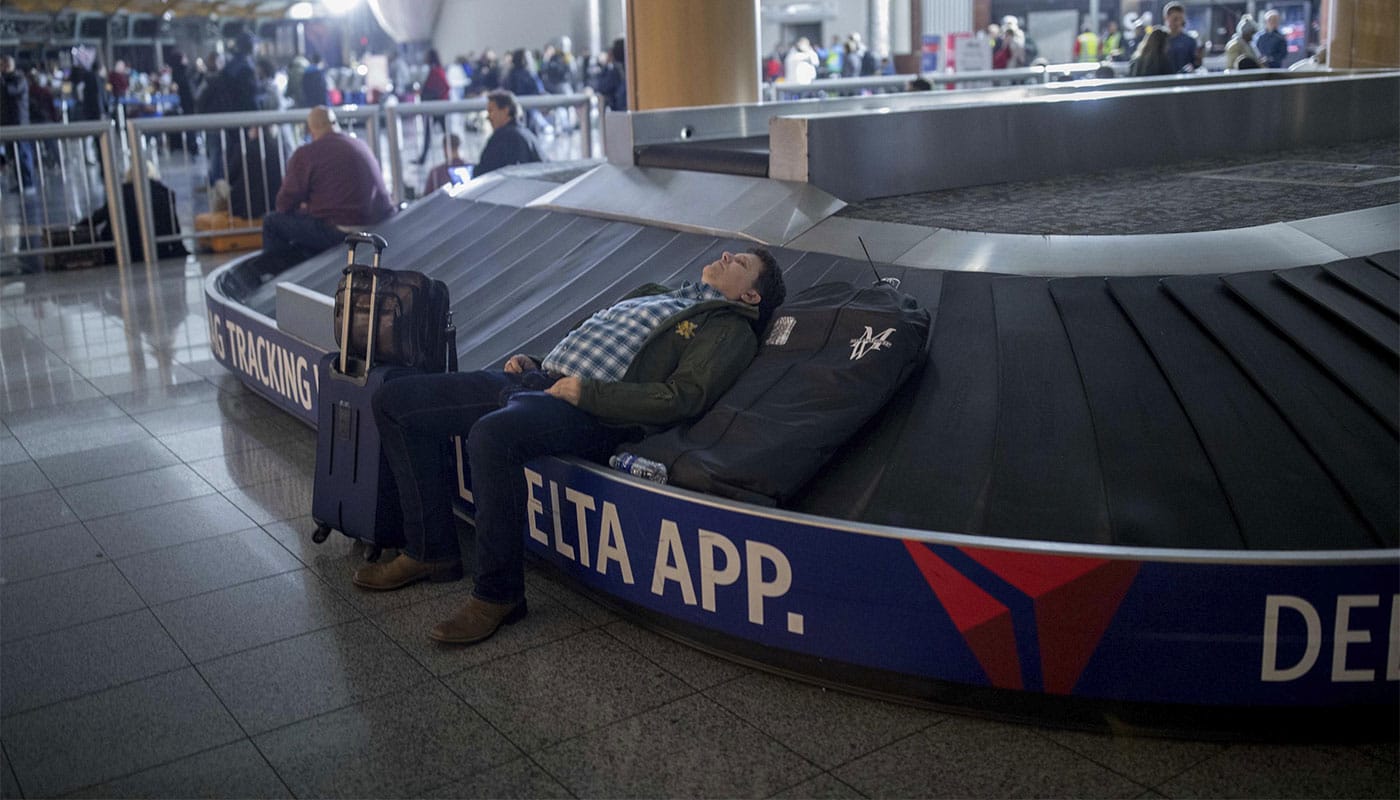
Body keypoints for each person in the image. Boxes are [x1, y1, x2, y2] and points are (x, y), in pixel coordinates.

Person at [352, 248, 787, 645]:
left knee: (491, 436)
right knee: (395, 401)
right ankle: (430, 551)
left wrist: (586, 395)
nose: (727, 255)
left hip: (594, 412)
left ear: (750, 297)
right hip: (538, 382)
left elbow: (683, 396)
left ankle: (499, 595)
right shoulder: (661, 293)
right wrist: (538, 364)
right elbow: (598, 342)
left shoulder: (728, 327)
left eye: (742, 263)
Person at [259, 106, 395, 270]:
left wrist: (305, 206)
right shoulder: (359, 144)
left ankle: (276, 277)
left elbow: (283, 204)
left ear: (310, 129)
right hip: (379, 225)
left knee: (271, 222)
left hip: (341, 229)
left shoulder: (306, 154)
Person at [80, 161, 189, 263]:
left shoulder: (120, 193)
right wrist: (178, 247)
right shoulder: (165, 193)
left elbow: (100, 217)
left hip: (121, 251)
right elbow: (172, 224)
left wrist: (78, 227)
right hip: (158, 250)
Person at [475, 90, 544, 177]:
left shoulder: (503, 137)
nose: (488, 117)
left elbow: (484, 172)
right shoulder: (527, 134)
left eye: (491, 111)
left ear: (505, 110)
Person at [1, 56, 35, 191]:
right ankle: (20, 183)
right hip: (8, 123)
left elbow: (11, 91)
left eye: (5, 65)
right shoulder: (5, 79)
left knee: (23, 154)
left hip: (19, 123)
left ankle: (28, 183)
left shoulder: (19, 79)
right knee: (14, 156)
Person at [414, 49, 452, 165]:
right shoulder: (437, 70)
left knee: (434, 134)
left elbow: (444, 86)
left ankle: (450, 156)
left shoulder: (435, 71)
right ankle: (451, 157)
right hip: (438, 106)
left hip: (437, 107)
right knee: (442, 134)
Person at [1162, 2, 1202, 73]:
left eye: (1180, 19)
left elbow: (1196, 64)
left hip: (1183, 81)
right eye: (1175, 19)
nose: (1178, 23)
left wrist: (1197, 60)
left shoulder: (1190, 41)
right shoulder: (1159, 40)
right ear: (1166, 18)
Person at [593, 38, 627, 112]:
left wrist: (605, 66)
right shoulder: (621, 67)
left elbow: (602, 86)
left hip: (619, 107)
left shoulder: (615, 69)